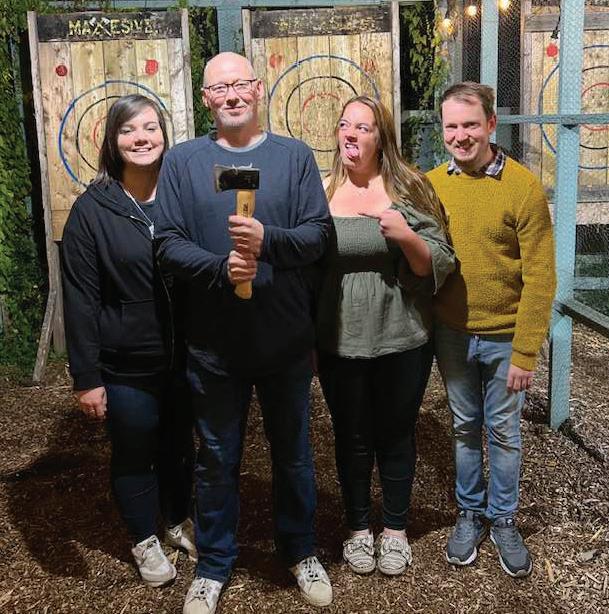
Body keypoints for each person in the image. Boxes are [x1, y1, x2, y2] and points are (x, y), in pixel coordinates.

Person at [154, 52, 333, 614]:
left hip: (283, 342)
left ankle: (300, 550)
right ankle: (213, 564)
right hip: (214, 347)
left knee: (294, 455)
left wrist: (267, 240)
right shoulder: (183, 162)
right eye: (218, 88)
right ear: (206, 98)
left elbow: (318, 234)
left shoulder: (294, 157)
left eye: (239, 85)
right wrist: (220, 268)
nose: (231, 96)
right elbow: (167, 243)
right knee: (215, 458)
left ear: (257, 89)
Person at [316, 96, 455, 576]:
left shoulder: (409, 188)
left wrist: (407, 236)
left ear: (382, 138)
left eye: (364, 127)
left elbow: (438, 260)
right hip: (339, 337)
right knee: (351, 436)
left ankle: (395, 529)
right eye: (344, 125)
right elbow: (307, 267)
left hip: (403, 335)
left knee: (396, 433)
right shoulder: (321, 190)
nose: (351, 134)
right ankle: (358, 528)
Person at [61, 94, 196, 588]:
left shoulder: (182, 196)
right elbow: (80, 299)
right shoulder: (92, 210)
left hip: (187, 356)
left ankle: (177, 519)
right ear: (113, 142)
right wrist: (87, 377)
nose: (142, 138)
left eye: (151, 127)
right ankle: (144, 539)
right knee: (135, 451)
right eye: (129, 130)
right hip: (126, 362)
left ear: (164, 135)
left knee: (180, 447)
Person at [427, 82, 556, 578]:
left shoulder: (522, 187)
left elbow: (540, 275)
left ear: (491, 124)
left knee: (503, 432)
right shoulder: (433, 185)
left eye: (470, 125)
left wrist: (526, 351)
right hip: (452, 332)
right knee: (464, 426)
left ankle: (503, 519)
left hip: (505, 337)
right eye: (451, 126)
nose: (460, 136)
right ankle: (470, 512)